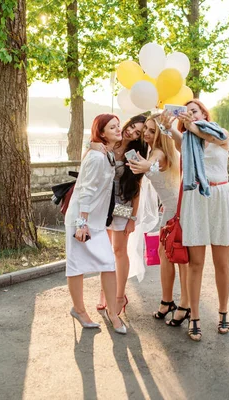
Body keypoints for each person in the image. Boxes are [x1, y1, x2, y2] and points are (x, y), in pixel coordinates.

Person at [156, 100, 229, 341]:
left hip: (220, 199)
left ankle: (223, 312)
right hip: (196, 202)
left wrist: (191, 125)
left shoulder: (220, 133)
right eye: (186, 112)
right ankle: (194, 317)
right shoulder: (186, 141)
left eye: (194, 111)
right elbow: (174, 135)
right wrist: (167, 125)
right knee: (195, 264)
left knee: (222, 264)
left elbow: (214, 137)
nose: (190, 115)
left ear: (204, 113)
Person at [65, 113, 126, 334]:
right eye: (113, 127)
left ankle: (112, 313)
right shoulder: (96, 157)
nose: (118, 129)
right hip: (81, 221)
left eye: (118, 126)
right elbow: (86, 192)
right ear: (101, 133)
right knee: (76, 266)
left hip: (97, 223)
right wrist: (82, 224)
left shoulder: (106, 154)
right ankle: (79, 310)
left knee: (108, 264)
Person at [127, 113, 190, 326]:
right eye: (146, 129)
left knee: (178, 257)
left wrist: (145, 166)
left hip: (177, 212)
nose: (146, 133)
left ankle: (183, 304)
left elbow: (153, 164)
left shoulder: (160, 152)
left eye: (152, 130)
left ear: (161, 134)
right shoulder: (154, 151)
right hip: (170, 209)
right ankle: (168, 301)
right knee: (166, 256)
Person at [94, 115, 148, 316]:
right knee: (104, 250)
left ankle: (119, 296)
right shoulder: (108, 143)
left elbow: (137, 187)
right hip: (103, 206)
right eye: (132, 126)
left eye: (137, 133)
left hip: (122, 204)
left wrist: (132, 219)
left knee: (119, 251)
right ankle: (104, 292)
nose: (131, 132)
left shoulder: (134, 154)